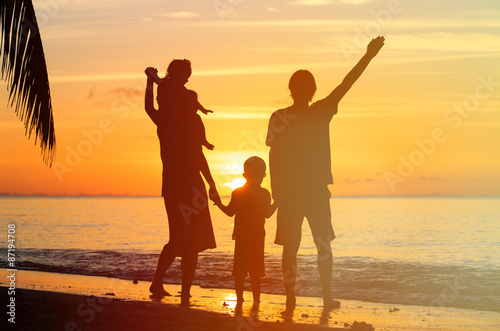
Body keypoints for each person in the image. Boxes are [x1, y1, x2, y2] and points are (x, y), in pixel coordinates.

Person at [265, 36, 385, 312]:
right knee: (321, 246)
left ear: (291, 90)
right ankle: (325, 297)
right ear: (311, 90)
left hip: (294, 193)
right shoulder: (319, 111)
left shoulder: (279, 116)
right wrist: (368, 55)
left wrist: (277, 193)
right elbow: (347, 83)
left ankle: (293, 299)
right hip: (313, 192)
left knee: (292, 248)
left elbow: (274, 158)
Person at [144, 59, 221, 302]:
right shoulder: (178, 121)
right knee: (185, 240)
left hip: (179, 186)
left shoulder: (165, 122)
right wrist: (211, 184)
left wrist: (149, 81)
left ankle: (169, 287)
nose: (187, 80)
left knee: (184, 239)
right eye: (186, 75)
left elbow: (150, 106)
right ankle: (177, 290)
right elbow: (198, 157)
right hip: (186, 186)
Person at [215, 156, 277, 306]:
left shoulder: (238, 192)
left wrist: (218, 203)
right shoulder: (264, 193)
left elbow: (230, 212)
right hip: (256, 236)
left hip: (242, 235)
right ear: (263, 175)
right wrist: (278, 202)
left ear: (245, 175)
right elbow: (268, 214)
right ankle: (256, 300)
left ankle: (240, 299)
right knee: (255, 271)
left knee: (240, 270)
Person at [145, 63, 214, 150]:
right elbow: (154, 77)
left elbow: (193, 101)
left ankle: (204, 141)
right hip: (176, 146)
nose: (187, 81)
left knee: (196, 117)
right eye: (186, 77)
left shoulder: (180, 90)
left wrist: (202, 109)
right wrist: (150, 76)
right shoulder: (166, 84)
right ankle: (204, 141)